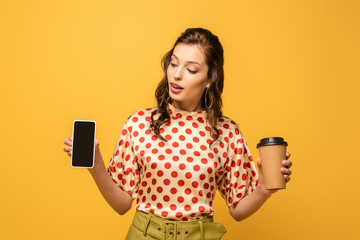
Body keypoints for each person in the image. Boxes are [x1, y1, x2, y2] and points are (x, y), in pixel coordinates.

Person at [63, 27, 293, 240]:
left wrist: (264, 189)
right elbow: (122, 204)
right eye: (173, 64)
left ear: (210, 78)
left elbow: (238, 210)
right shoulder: (139, 123)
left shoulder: (227, 131)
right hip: (144, 234)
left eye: (191, 69)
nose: (177, 75)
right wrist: (95, 166)